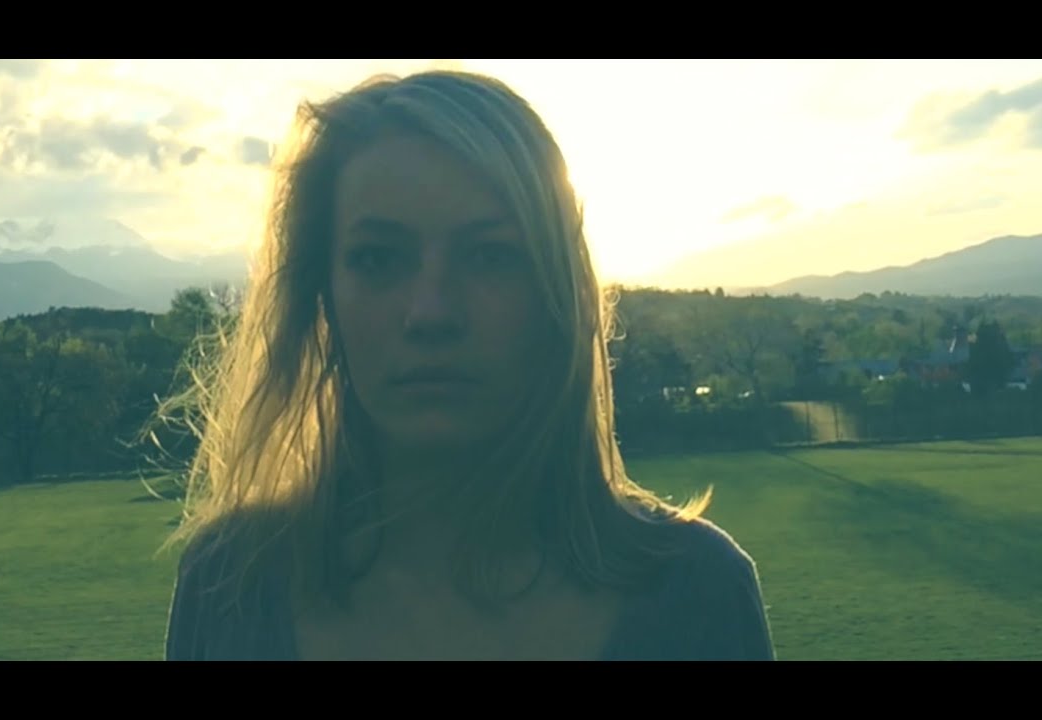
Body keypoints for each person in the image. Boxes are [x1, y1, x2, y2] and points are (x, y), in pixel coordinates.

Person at [159, 69, 775, 661]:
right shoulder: (230, 586)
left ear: (557, 296)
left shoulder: (697, 599)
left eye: (490, 256)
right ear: (322, 297)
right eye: (378, 259)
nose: (431, 312)